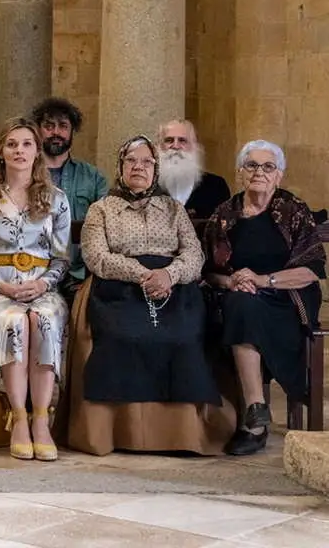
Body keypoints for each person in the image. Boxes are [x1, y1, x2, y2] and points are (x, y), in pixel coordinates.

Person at [70, 135, 231, 456]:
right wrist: (141, 274)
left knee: (183, 337)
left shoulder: (173, 209)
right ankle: (117, 434)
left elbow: (194, 256)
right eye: (131, 161)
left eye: (146, 162)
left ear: (156, 169)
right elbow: (96, 257)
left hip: (174, 287)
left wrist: (169, 274)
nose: (138, 167)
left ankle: (183, 436)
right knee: (123, 336)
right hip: (117, 286)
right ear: (120, 166)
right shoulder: (101, 210)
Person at [204, 140, 325, 456]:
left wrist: (262, 280)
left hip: (289, 299)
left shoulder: (293, 211)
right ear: (240, 172)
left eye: (268, 166)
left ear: (279, 175)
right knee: (240, 304)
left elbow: (312, 270)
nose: (259, 172)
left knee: (245, 308)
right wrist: (231, 281)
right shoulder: (224, 214)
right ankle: (256, 409)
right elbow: (208, 272)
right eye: (252, 165)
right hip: (239, 298)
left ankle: (254, 423)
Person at [0, 117, 71, 461]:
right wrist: (3, 287)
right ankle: (19, 418)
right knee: (14, 321)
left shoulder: (56, 199)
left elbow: (61, 258)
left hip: (43, 288)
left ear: (37, 151)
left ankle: (42, 418)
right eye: (12, 144)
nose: (19, 151)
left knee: (44, 320)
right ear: (1, 152)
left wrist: (42, 283)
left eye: (27, 144)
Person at [30, 97, 107, 294]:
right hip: (32, 272)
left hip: (79, 274)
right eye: (49, 126)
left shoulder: (92, 177)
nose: (56, 132)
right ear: (38, 130)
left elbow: (107, 227)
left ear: (72, 131)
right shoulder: (24, 174)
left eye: (63, 126)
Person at [157, 119, 232, 220]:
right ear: (159, 146)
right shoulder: (148, 188)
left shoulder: (216, 186)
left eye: (182, 140)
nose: (175, 146)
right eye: (169, 140)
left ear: (194, 146)